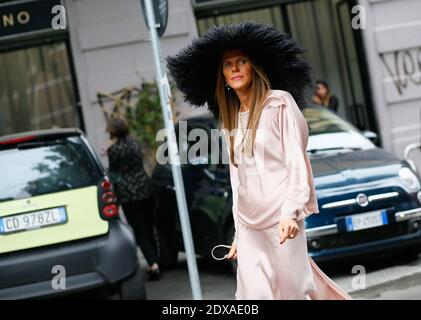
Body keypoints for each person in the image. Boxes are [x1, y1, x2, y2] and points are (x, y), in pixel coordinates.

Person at [167, 21, 352, 299]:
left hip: (282, 219)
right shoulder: (230, 119)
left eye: (241, 61)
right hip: (250, 227)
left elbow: (296, 162)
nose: (235, 69)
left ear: (253, 66)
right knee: (253, 296)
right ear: (224, 77)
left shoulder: (279, 103)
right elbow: (237, 181)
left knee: (293, 292)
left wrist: (291, 212)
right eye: (228, 65)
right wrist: (239, 234)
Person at [105, 117, 161, 281]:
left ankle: (153, 264)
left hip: (129, 194)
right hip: (145, 188)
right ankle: (156, 260)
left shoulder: (114, 150)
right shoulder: (136, 144)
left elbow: (114, 174)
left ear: (113, 132)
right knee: (149, 227)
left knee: (139, 230)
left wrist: (115, 197)